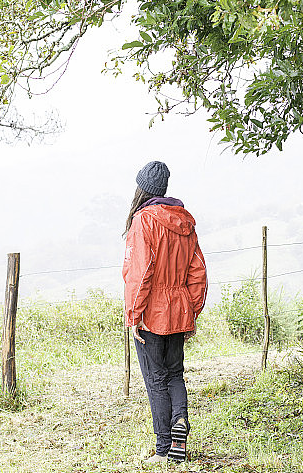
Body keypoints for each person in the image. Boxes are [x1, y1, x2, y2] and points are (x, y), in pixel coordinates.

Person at [122, 161, 208, 463]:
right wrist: (191, 311)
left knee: (155, 380)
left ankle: (162, 450)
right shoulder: (184, 220)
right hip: (179, 311)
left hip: (152, 315)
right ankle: (180, 424)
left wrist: (133, 315)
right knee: (174, 375)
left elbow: (140, 271)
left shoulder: (144, 220)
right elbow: (198, 273)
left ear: (142, 188)